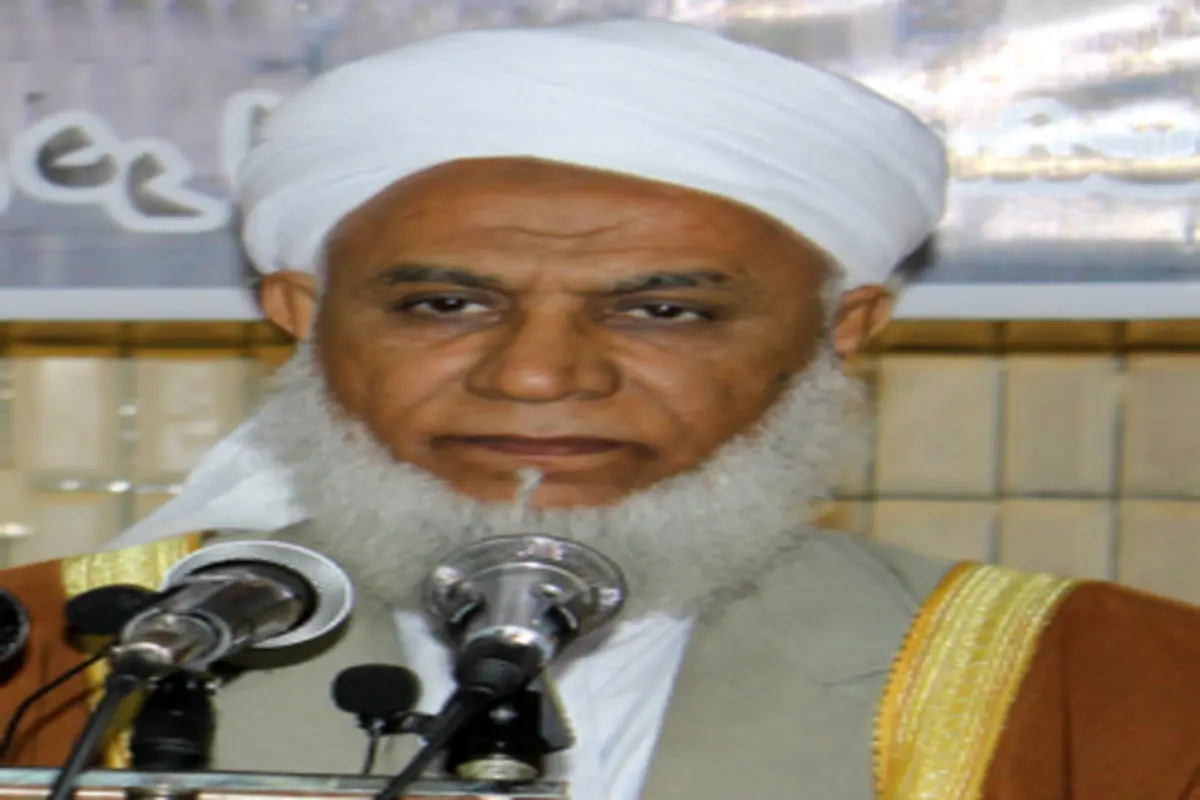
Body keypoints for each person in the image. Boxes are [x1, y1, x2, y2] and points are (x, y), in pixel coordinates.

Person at [1, 18, 1198, 800]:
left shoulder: (1110, 685)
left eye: (663, 311)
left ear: (843, 330)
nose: (536, 376)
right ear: (304, 314)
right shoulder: (47, 663)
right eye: (444, 303)